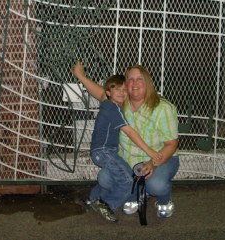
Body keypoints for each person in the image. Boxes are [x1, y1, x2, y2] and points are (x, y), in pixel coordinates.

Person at [71, 61, 179, 218]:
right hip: (130, 161)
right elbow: (101, 92)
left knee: (156, 184)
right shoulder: (121, 103)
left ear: (147, 82)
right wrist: (80, 75)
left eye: (139, 79)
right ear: (125, 84)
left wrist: (153, 163)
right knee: (105, 178)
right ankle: (137, 194)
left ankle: (164, 200)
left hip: (159, 158)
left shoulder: (163, 108)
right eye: (130, 79)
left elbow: (172, 144)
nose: (135, 83)